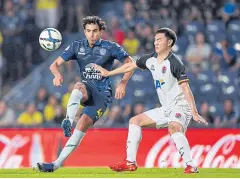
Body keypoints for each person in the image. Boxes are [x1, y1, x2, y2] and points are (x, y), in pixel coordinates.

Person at [94, 28, 208, 174]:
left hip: (180, 106)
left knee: (173, 127)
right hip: (166, 108)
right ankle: (130, 162)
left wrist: (194, 112)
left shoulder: (175, 63)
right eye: (155, 39)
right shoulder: (150, 59)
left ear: (169, 42)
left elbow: (185, 88)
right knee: (135, 121)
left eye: (160, 39)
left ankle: (191, 165)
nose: (156, 42)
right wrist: (109, 73)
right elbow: (131, 65)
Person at [36, 15, 133, 172]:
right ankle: (68, 120)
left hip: (102, 95)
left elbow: (130, 64)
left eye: (95, 31)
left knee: (81, 125)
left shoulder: (111, 47)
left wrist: (122, 83)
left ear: (101, 32)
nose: (92, 34)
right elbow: (54, 65)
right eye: (88, 31)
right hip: (87, 88)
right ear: (84, 31)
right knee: (79, 85)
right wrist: (57, 74)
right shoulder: (77, 46)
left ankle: (56, 164)